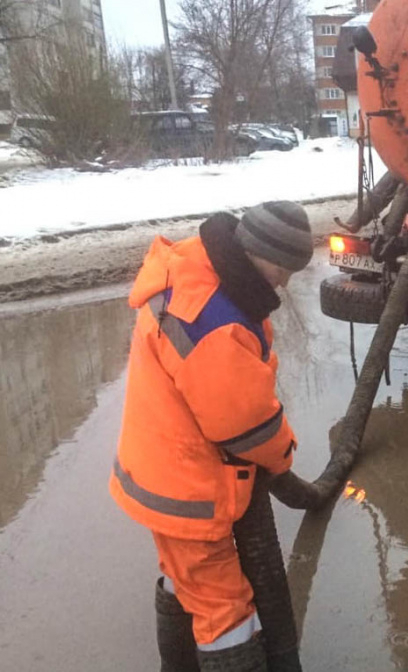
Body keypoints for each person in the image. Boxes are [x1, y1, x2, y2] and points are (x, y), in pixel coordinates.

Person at [109, 201, 314, 671]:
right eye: (284, 270)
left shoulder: (197, 266)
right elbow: (246, 425)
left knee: (185, 578)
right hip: (189, 492)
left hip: (162, 471)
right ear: (261, 254)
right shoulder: (215, 320)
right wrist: (282, 456)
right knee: (225, 609)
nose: (285, 283)